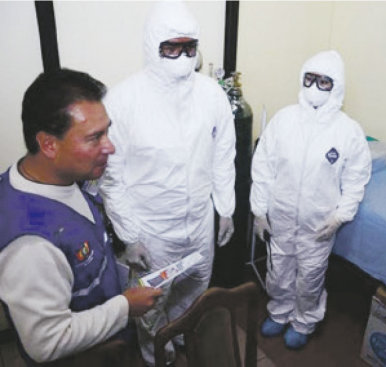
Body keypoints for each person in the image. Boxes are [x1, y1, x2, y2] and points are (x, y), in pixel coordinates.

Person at [99, 1, 236, 365]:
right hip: (153, 230)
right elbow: (112, 177)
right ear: (152, 45)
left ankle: (184, 333)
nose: (181, 55)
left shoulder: (211, 95)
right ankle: (156, 352)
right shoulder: (123, 101)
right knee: (150, 304)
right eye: (170, 47)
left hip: (199, 224)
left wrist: (225, 209)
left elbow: (224, 154)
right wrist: (129, 235)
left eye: (188, 46)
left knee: (195, 288)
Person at [0, 69, 162, 365]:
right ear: (49, 144)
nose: (109, 146)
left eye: (107, 131)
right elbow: (45, 343)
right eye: (94, 138)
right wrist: (125, 307)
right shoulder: (30, 245)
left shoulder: (66, 175)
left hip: (111, 343)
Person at [250, 50, 372, 349]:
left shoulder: (348, 132)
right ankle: (279, 313)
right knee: (278, 271)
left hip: (318, 225)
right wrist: (259, 210)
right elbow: (263, 166)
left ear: (337, 86)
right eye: (310, 79)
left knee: (310, 278)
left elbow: (356, 179)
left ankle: (304, 321)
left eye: (324, 82)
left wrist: (340, 216)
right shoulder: (284, 120)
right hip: (280, 218)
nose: (315, 87)